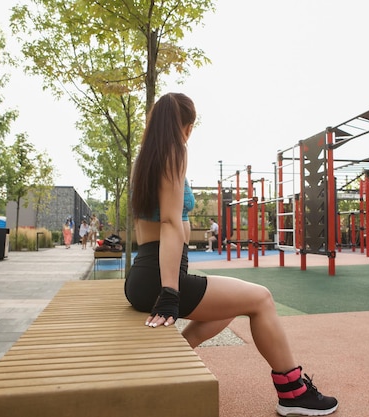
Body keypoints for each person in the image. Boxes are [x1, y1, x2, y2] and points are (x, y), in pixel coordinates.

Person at [124, 93, 338, 416]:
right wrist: (169, 291)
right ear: (186, 126)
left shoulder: (145, 160)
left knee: (230, 305)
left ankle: (174, 356)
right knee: (261, 299)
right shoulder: (174, 153)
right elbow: (169, 222)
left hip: (144, 273)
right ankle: (293, 393)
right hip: (160, 277)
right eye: (190, 126)